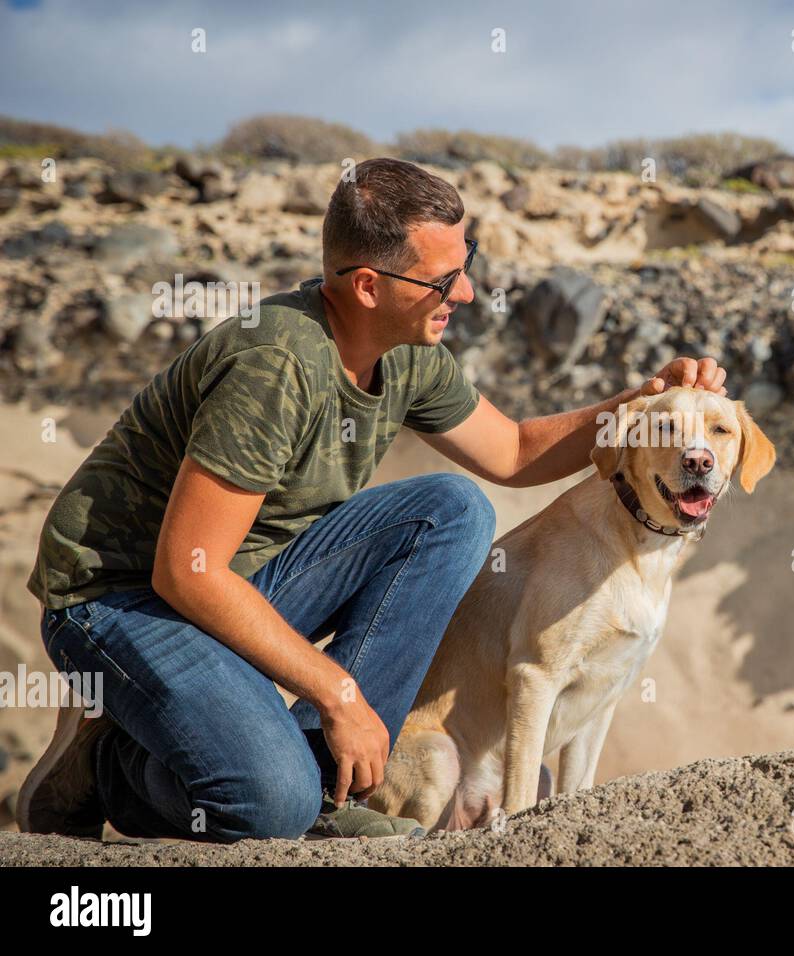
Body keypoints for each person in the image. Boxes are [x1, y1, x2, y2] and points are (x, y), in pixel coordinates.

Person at [19, 157, 728, 842]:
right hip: (123, 598)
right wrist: (339, 693)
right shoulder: (274, 367)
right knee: (270, 804)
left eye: (468, 261)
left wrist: (646, 398)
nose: (467, 293)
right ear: (366, 286)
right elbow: (187, 571)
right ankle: (107, 763)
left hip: (240, 576)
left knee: (454, 509)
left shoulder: (407, 349)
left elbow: (512, 454)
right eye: (444, 278)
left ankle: (335, 785)